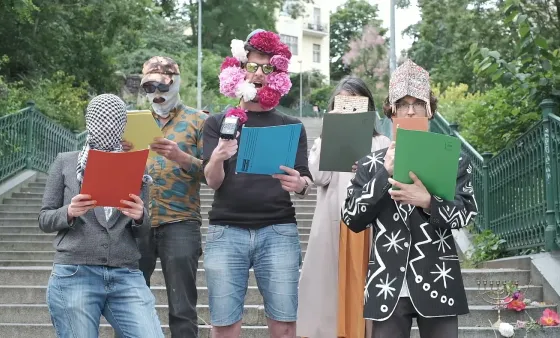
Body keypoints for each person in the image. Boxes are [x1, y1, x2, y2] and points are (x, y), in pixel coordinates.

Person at [341, 60, 478, 338]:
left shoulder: (454, 159)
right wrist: (384, 174)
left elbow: (467, 213)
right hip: (386, 285)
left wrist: (429, 202)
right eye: (402, 103)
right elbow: (351, 218)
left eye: (418, 102)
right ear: (391, 111)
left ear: (430, 110)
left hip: (438, 279)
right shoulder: (369, 164)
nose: (411, 110)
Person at [202, 29, 312, 338]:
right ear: (240, 69)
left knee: (285, 325)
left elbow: (305, 182)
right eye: (253, 66)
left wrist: (299, 184)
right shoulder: (218, 122)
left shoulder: (291, 125)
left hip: (278, 230)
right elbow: (212, 182)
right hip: (226, 231)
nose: (260, 74)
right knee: (223, 325)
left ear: (278, 74)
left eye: (268, 68)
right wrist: (219, 156)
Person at [39, 94, 163, 338]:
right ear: (89, 121)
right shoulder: (66, 162)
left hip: (125, 273)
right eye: (100, 119)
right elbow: (44, 218)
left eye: (114, 119)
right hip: (75, 272)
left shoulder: (136, 165)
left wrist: (140, 217)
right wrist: (69, 212)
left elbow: (143, 229)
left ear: (122, 124)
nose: (106, 125)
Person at [297, 76, 391, 338]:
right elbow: (318, 176)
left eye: (355, 102)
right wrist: (331, 132)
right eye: (343, 102)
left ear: (367, 107)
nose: (349, 108)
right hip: (332, 224)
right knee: (327, 293)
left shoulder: (382, 143)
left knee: (364, 290)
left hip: (369, 228)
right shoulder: (324, 140)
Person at [122, 56, 207, 338]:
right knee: (129, 306)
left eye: (162, 86)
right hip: (137, 222)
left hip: (181, 221)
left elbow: (216, 175)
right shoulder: (132, 122)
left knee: (182, 308)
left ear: (176, 82)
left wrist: (181, 157)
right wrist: (121, 154)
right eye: (149, 88)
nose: (156, 94)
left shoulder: (199, 121)